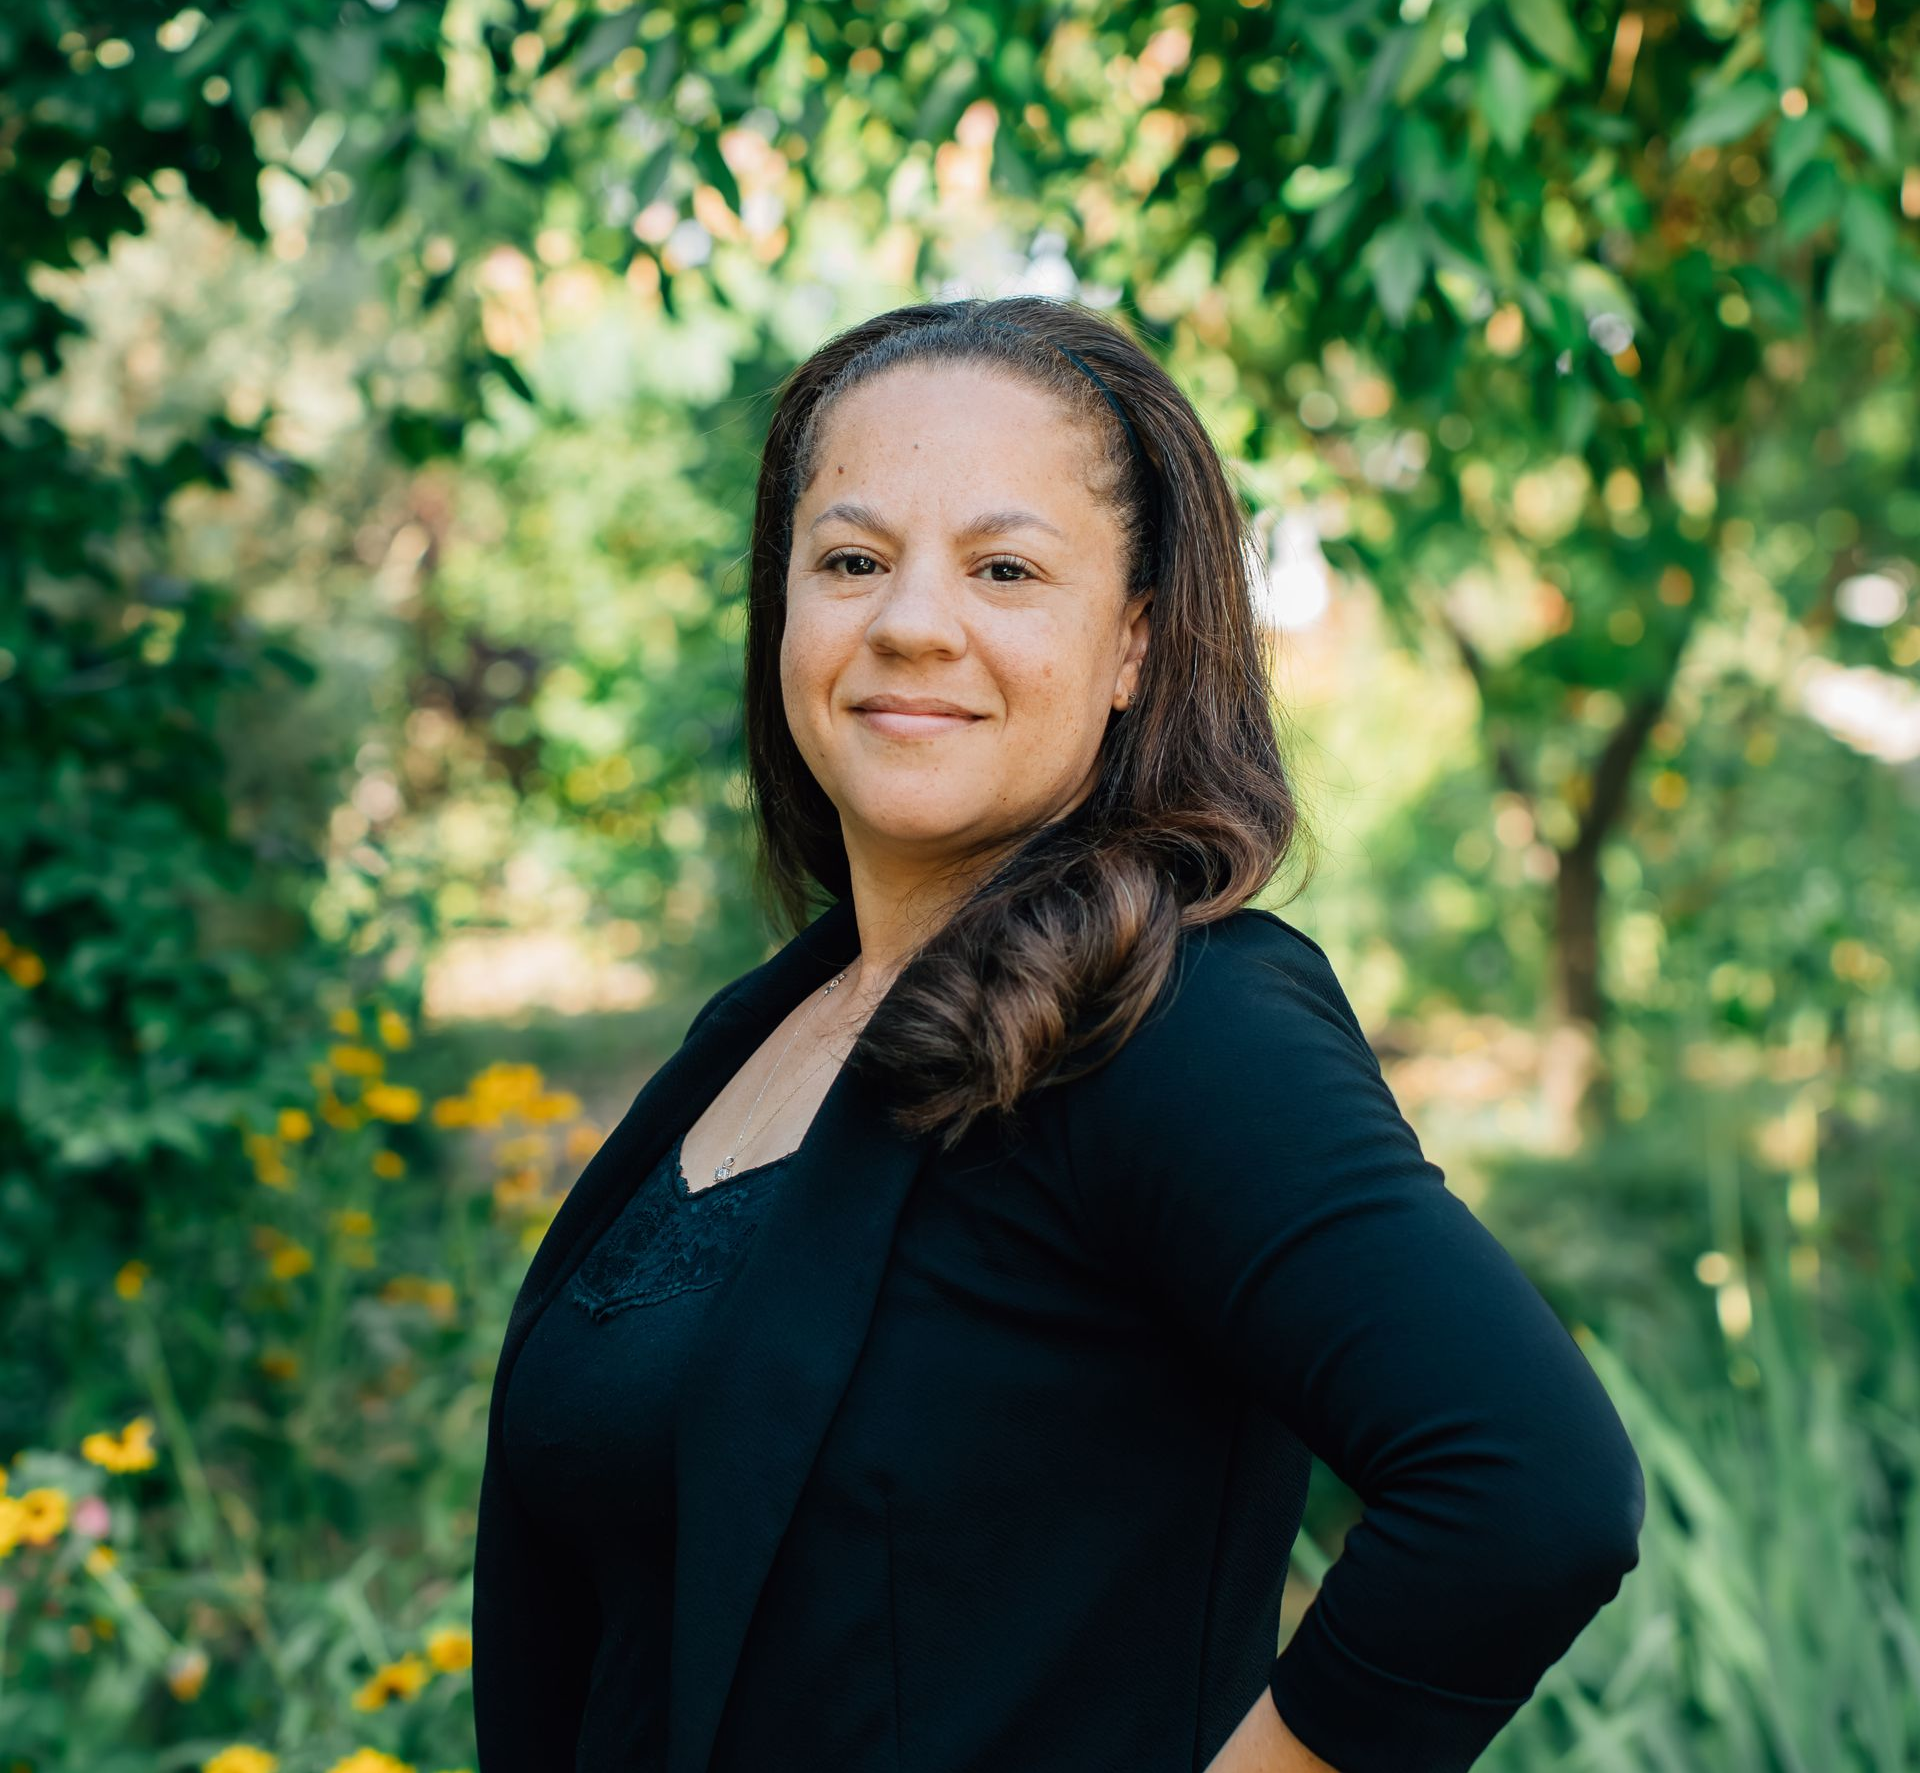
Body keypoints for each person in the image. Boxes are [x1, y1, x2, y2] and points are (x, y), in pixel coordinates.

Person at [470, 295, 1645, 1773]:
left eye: (1005, 569)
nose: (910, 623)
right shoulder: (769, 1025)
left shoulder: (1178, 1021)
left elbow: (1530, 1491)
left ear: (1134, 645)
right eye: (851, 560)